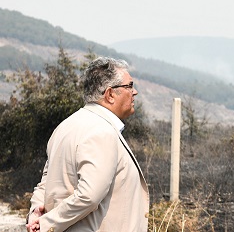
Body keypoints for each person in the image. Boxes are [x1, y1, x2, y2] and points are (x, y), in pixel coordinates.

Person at [26, 57, 149, 232]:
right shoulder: (102, 132)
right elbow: (89, 196)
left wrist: (35, 212)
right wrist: (46, 224)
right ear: (110, 94)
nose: (134, 92)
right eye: (129, 86)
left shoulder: (65, 126)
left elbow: (47, 181)